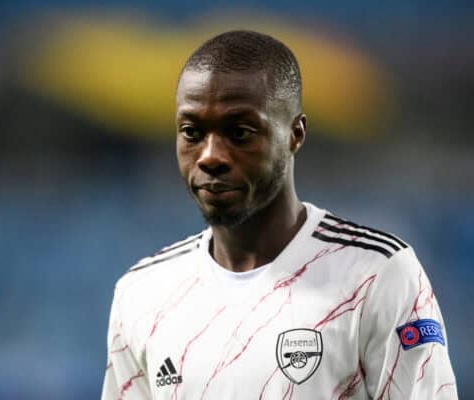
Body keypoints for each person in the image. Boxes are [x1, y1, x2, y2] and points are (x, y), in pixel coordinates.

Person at [101, 30, 457, 399]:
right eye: (191, 132)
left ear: (295, 134)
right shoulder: (142, 294)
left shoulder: (376, 274)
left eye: (239, 133)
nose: (209, 156)